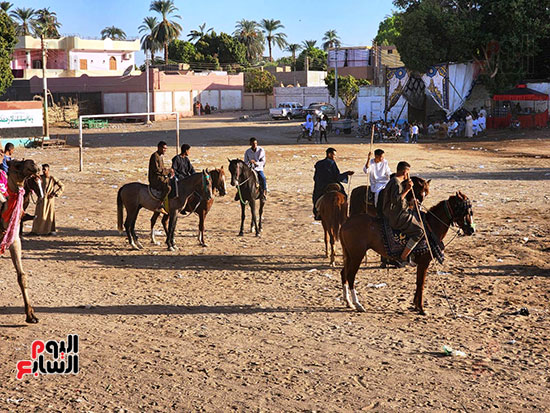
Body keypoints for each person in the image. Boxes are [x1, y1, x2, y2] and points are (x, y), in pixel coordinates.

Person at [381, 161, 424, 267]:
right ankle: (404, 256)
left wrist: (410, 203)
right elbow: (396, 200)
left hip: (398, 211)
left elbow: (400, 200)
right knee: (420, 231)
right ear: (405, 172)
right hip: (395, 215)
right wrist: (407, 189)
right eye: (408, 172)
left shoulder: (394, 181)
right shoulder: (396, 182)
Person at [312, 147, 354, 219]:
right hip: (331, 183)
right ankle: (344, 214)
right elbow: (337, 176)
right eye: (334, 155)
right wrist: (346, 174)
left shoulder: (318, 163)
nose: (334, 157)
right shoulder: (332, 163)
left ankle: (317, 213)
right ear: (329, 154)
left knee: (316, 196)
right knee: (344, 196)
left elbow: (315, 177)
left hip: (321, 186)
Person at [30, 164, 64, 236]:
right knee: (39, 215)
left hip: (49, 199)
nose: (44, 171)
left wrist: (55, 194)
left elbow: (62, 186)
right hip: (41, 199)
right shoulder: (40, 178)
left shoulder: (52, 178)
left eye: (45, 169)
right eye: (43, 169)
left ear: (48, 170)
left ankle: (49, 230)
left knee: (49, 215)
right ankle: (36, 231)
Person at [148, 141, 174, 214]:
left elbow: (162, 168)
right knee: (168, 188)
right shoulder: (155, 156)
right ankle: (159, 205)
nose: (165, 150)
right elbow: (157, 170)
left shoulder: (160, 156)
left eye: (166, 149)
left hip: (160, 176)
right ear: (159, 147)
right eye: (164, 148)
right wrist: (168, 171)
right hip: (155, 178)